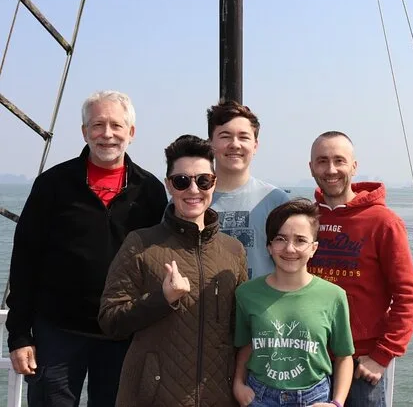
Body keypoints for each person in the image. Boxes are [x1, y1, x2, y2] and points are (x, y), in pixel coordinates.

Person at [5, 90, 168, 406]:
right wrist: (19, 335)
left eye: (116, 125)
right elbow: (25, 260)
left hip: (123, 332)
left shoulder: (149, 190)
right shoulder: (52, 185)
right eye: (97, 125)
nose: (107, 134)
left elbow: (158, 262)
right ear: (84, 132)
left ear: (131, 132)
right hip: (57, 331)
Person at [98, 134, 248, 406]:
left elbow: (241, 330)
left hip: (219, 398)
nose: (193, 190)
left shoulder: (233, 250)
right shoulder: (140, 244)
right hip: (152, 399)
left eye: (203, 180)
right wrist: (163, 299)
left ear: (214, 183)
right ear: (169, 185)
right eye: (182, 181)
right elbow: (110, 321)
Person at [308, 131, 413, 407]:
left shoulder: (383, 222)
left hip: (362, 362)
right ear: (311, 167)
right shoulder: (306, 219)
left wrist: (383, 355)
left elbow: (408, 295)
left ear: (354, 166)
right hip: (311, 359)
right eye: (322, 161)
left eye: (339, 160)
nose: (331, 169)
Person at [233, 198, 354, 407]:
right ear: (269, 246)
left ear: (314, 248)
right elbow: (246, 346)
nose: (290, 249)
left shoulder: (334, 296)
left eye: (300, 240)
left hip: (314, 398)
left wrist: (336, 403)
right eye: (280, 239)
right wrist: (238, 384)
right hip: (259, 396)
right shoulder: (246, 293)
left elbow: (344, 356)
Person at [207, 100, 290, 280]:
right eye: (225, 136)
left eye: (243, 137)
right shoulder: (189, 199)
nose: (235, 144)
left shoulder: (276, 200)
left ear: (255, 146)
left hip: (261, 298)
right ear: (210, 143)